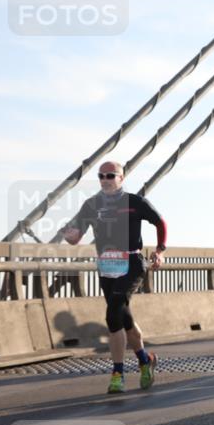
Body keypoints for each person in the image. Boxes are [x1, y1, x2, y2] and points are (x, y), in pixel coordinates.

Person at [61, 161, 165, 394]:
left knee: (113, 312)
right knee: (123, 317)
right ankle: (145, 360)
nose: (105, 179)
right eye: (101, 176)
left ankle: (118, 374)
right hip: (107, 265)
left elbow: (160, 223)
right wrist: (67, 232)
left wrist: (159, 251)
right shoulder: (91, 205)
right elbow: (75, 237)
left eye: (110, 175)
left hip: (132, 263)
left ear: (121, 177)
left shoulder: (135, 202)